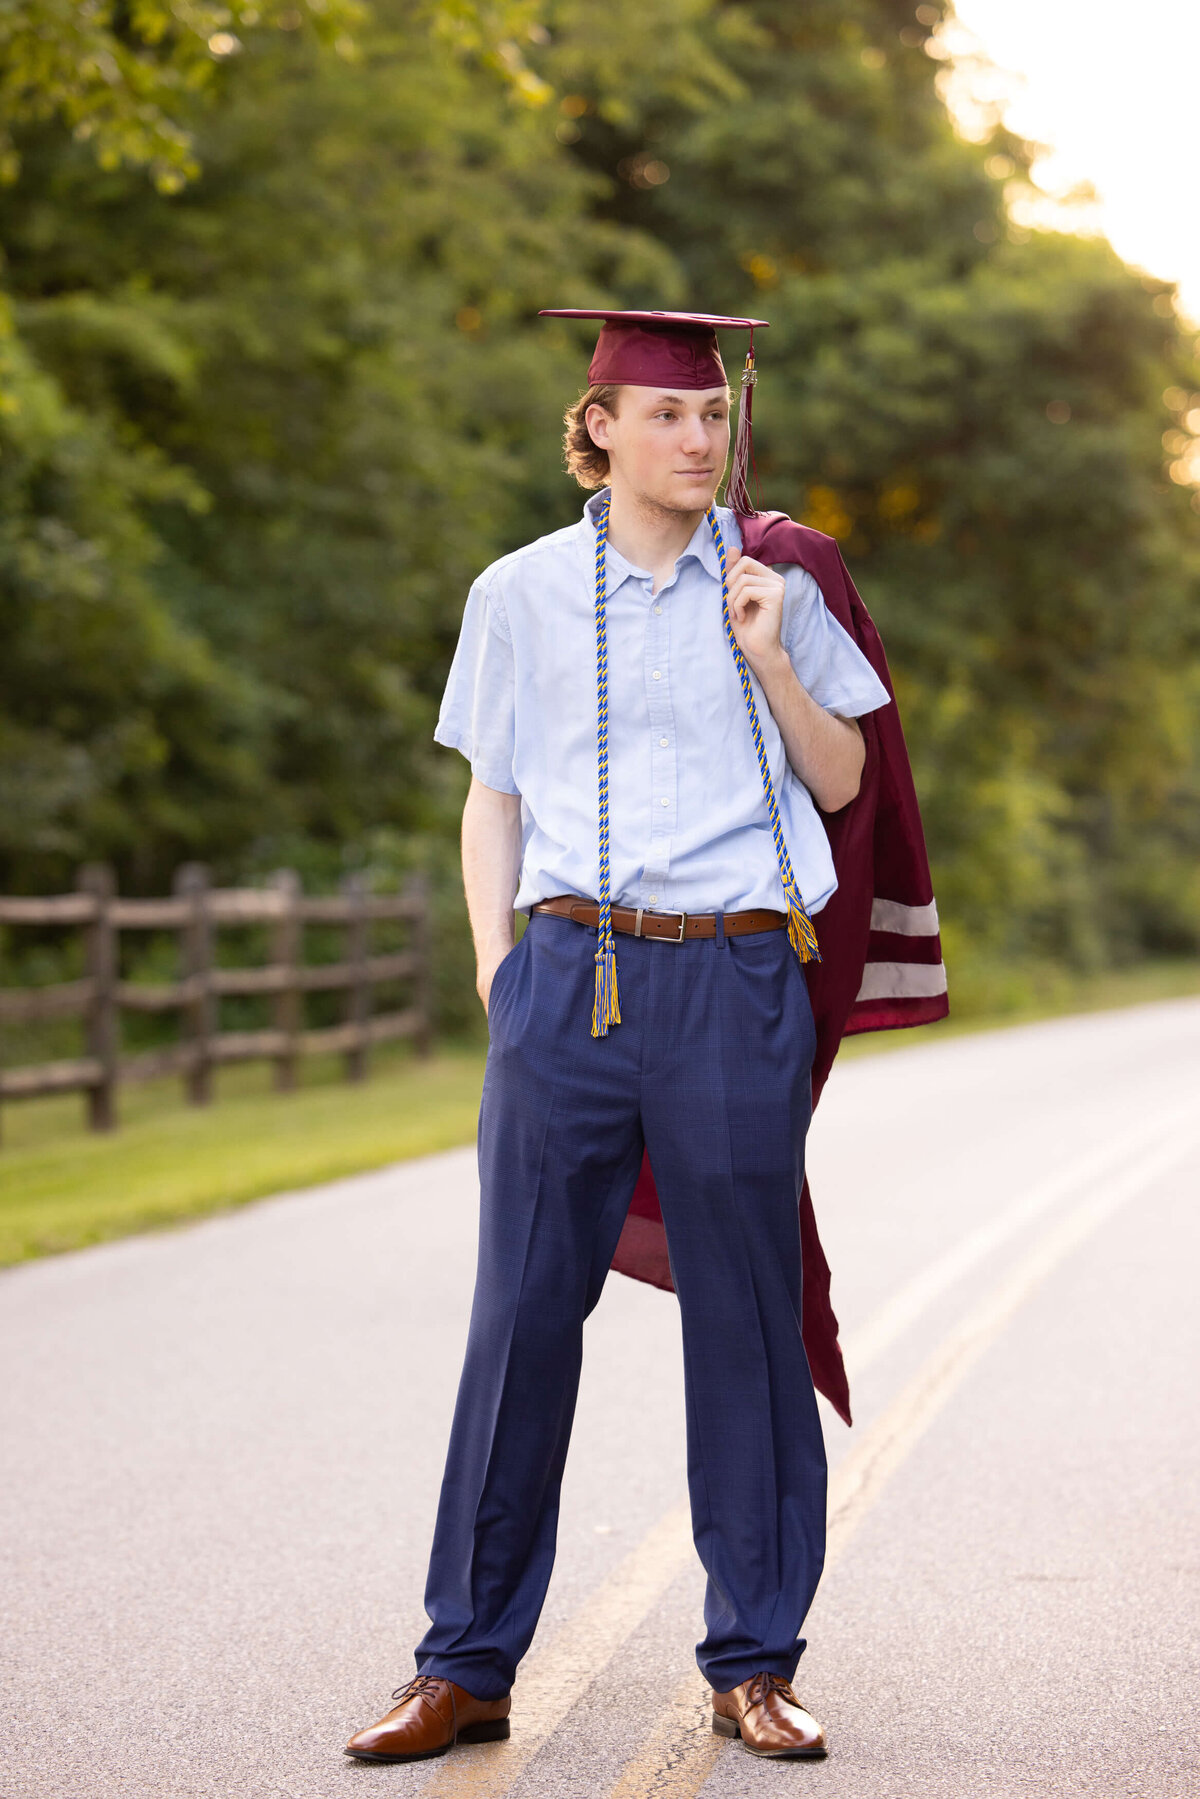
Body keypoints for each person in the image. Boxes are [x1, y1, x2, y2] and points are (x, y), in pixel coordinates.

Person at [345, 309, 902, 1767]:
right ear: (596, 427)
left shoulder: (776, 584)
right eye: (666, 415)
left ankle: (756, 1660)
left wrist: (776, 658)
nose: (699, 441)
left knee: (747, 1322)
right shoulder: (518, 594)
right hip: (567, 981)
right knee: (521, 1317)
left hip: (732, 980)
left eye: (713, 415)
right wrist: (495, 975)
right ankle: (462, 1663)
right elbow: (494, 799)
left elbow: (843, 781)